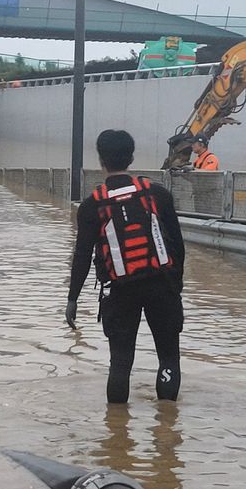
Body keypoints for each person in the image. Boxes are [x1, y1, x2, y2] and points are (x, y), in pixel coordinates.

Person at [66, 129, 186, 404]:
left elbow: (82, 255)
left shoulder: (91, 206)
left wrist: (72, 298)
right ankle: (167, 434)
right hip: (161, 285)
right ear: (131, 157)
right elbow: (177, 246)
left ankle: (117, 435)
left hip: (119, 290)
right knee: (168, 357)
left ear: (101, 160)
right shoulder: (157, 194)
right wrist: (176, 286)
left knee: (120, 363)